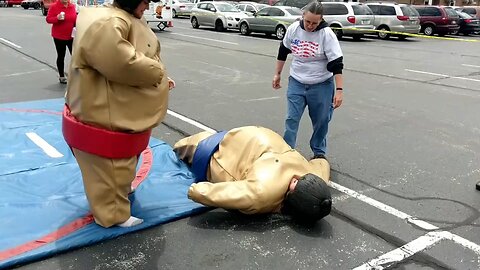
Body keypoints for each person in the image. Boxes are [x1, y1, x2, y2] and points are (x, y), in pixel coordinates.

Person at [62, 0, 176, 228]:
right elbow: (124, 63)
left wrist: (162, 77)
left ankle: (119, 194)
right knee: (109, 167)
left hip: (113, 111)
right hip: (103, 115)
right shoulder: (108, 23)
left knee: (120, 164)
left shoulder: (119, 17)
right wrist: (158, 74)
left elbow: (143, 52)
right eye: (145, 2)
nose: (148, 6)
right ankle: (113, 214)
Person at [173, 126, 333, 223]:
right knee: (184, 146)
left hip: (245, 139)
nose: (297, 177)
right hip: (231, 146)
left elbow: (322, 164)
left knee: (183, 146)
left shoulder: (263, 191)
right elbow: (203, 192)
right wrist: (195, 191)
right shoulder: (263, 193)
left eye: (296, 183)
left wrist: (197, 191)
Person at [272, 0, 344, 160]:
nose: (310, 26)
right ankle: (287, 151)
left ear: (321, 20)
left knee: (322, 120)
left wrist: (339, 90)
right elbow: (283, 50)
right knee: (292, 118)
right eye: (308, 21)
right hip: (297, 82)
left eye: (314, 23)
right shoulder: (294, 29)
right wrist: (277, 73)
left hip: (321, 85)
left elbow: (337, 64)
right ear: (302, 16)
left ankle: (319, 152)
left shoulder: (326, 34)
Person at [46, 0, 77, 84]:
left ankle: (76, 75)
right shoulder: (54, 6)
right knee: (61, 55)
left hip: (71, 36)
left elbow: (75, 19)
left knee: (76, 56)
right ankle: (62, 76)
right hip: (59, 36)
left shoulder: (72, 6)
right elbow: (48, 19)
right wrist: (57, 18)